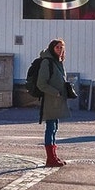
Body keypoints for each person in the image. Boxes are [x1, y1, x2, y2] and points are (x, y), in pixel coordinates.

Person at [34, 37, 71, 166]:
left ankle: (54, 156)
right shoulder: (47, 62)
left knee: (54, 128)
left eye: (62, 48)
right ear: (52, 48)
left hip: (57, 101)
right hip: (50, 101)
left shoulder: (58, 62)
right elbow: (41, 83)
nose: (60, 50)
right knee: (50, 128)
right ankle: (50, 158)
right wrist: (55, 92)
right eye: (57, 47)